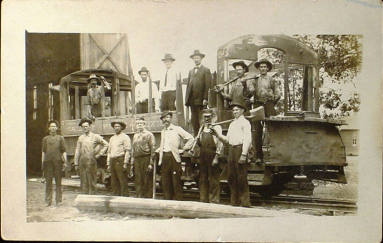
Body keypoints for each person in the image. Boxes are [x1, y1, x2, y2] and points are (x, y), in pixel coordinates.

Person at [211, 100, 252, 207]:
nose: (234, 112)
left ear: (242, 111)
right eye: (233, 110)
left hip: (240, 150)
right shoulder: (232, 124)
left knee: (241, 177)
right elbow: (227, 140)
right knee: (231, 177)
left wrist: (243, 154)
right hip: (231, 151)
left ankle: (245, 203)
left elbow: (247, 139)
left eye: (237, 110)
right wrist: (217, 134)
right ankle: (234, 202)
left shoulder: (245, 123)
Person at [158, 111, 194, 200]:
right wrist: (159, 155)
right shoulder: (163, 131)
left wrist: (184, 149)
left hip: (174, 157)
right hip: (165, 158)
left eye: (167, 117)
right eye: (163, 118)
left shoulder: (177, 129)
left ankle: (178, 202)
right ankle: (167, 201)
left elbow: (191, 138)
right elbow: (163, 145)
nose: (165, 120)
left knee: (176, 182)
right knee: (165, 181)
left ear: (171, 118)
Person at [252, 59, 281, 163]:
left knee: (272, 129)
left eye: (265, 67)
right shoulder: (255, 80)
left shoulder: (272, 80)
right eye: (261, 67)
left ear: (268, 68)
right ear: (259, 68)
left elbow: (278, 93)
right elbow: (250, 91)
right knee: (256, 130)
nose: (263, 68)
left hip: (269, 105)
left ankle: (273, 155)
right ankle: (258, 157)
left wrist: (272, 102)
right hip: (257, 105)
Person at [74, 118, 108, 194]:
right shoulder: (80, 138)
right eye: (83, 127)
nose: (84, 128)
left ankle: (92, 197)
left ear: (90, 127)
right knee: (83, 180)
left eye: (86, 126)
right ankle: (84, 197)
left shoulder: (95, 136)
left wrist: (99, 154)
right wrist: (76, 162)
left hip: (91, 161)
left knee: (92, 180)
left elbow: (106, 144)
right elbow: (77, 150)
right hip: (82, 161)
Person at [196, 109, 223, 203]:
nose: (207, 119)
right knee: (203, 178)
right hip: (203, 155)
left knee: (213, 179)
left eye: (208, 117)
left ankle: (214, 200)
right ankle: (203, 199)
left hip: (212, 154)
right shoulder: (202, 128)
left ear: (212, 117)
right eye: (205, 117)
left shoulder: (217, 127)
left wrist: (216, 157)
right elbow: (199, 143)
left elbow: (220, 144)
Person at [185, 50, 212, 136]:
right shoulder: (191, 71)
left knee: (201, 119)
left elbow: (208, 85)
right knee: (194, 119)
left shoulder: (206, 70)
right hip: (192, 100)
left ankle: (202, 136)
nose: (196, 59)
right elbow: (188, 86)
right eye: (194, 58)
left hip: (200, 100)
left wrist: (205, 98)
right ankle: (196, 136)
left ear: (201, 58)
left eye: (198, 58)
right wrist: (187, 100)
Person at [41, 120, 67, 206]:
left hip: (58, 162)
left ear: (57, 128)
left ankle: (58, 201)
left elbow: (63, 151)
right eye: (51, 126)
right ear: (48, 128)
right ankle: (48, 201)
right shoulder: (45, 139)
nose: (53, 128)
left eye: (54, 126)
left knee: (58, 182)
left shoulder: (60, 138)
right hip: (48, 163)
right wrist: (43, 163)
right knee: (48, 182)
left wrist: (65, 162)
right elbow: (44, 152)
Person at [132, 117, 156, 198]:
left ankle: (147, 197)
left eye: (141, 123)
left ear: (144, 124)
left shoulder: (149, 134)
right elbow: (133, 149)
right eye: (137, 124)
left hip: (146, 158)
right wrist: (132, 162)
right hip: (137, 159)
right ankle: (139, 196)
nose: (139, 125)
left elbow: (153, 148)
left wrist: (151, 163)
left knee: (147, 179)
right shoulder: (135, 135)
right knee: (138, 178)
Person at [106, 121, 131, 196]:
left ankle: (124, 197)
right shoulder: (112, 138)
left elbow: (128, 151)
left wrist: (125, 163)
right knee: (114, 180)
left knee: (122, 180)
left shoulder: (125, 137)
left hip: (120, 160)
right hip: (112, 160)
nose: (116, 128)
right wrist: (108, 163)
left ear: (122, 128)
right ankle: (116, 196)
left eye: (118, 126)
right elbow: (109, 152)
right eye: (115, 127)